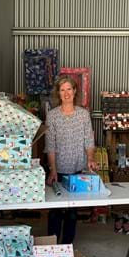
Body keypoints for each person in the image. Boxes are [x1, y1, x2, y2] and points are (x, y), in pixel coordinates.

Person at [45, 75, 97, 244]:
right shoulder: (52, 116)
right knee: (55, 211)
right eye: (62, 90)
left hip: (77, 168)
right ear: (58, 93)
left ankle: (66, 247)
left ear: (74, 91)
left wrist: (90, 158)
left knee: (72, 212)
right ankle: (51, 247)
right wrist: (52, 170)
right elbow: (50, 145)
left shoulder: (83, 114)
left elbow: (88, 139)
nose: (66, 93)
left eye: (69, 89)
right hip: (58, 169)